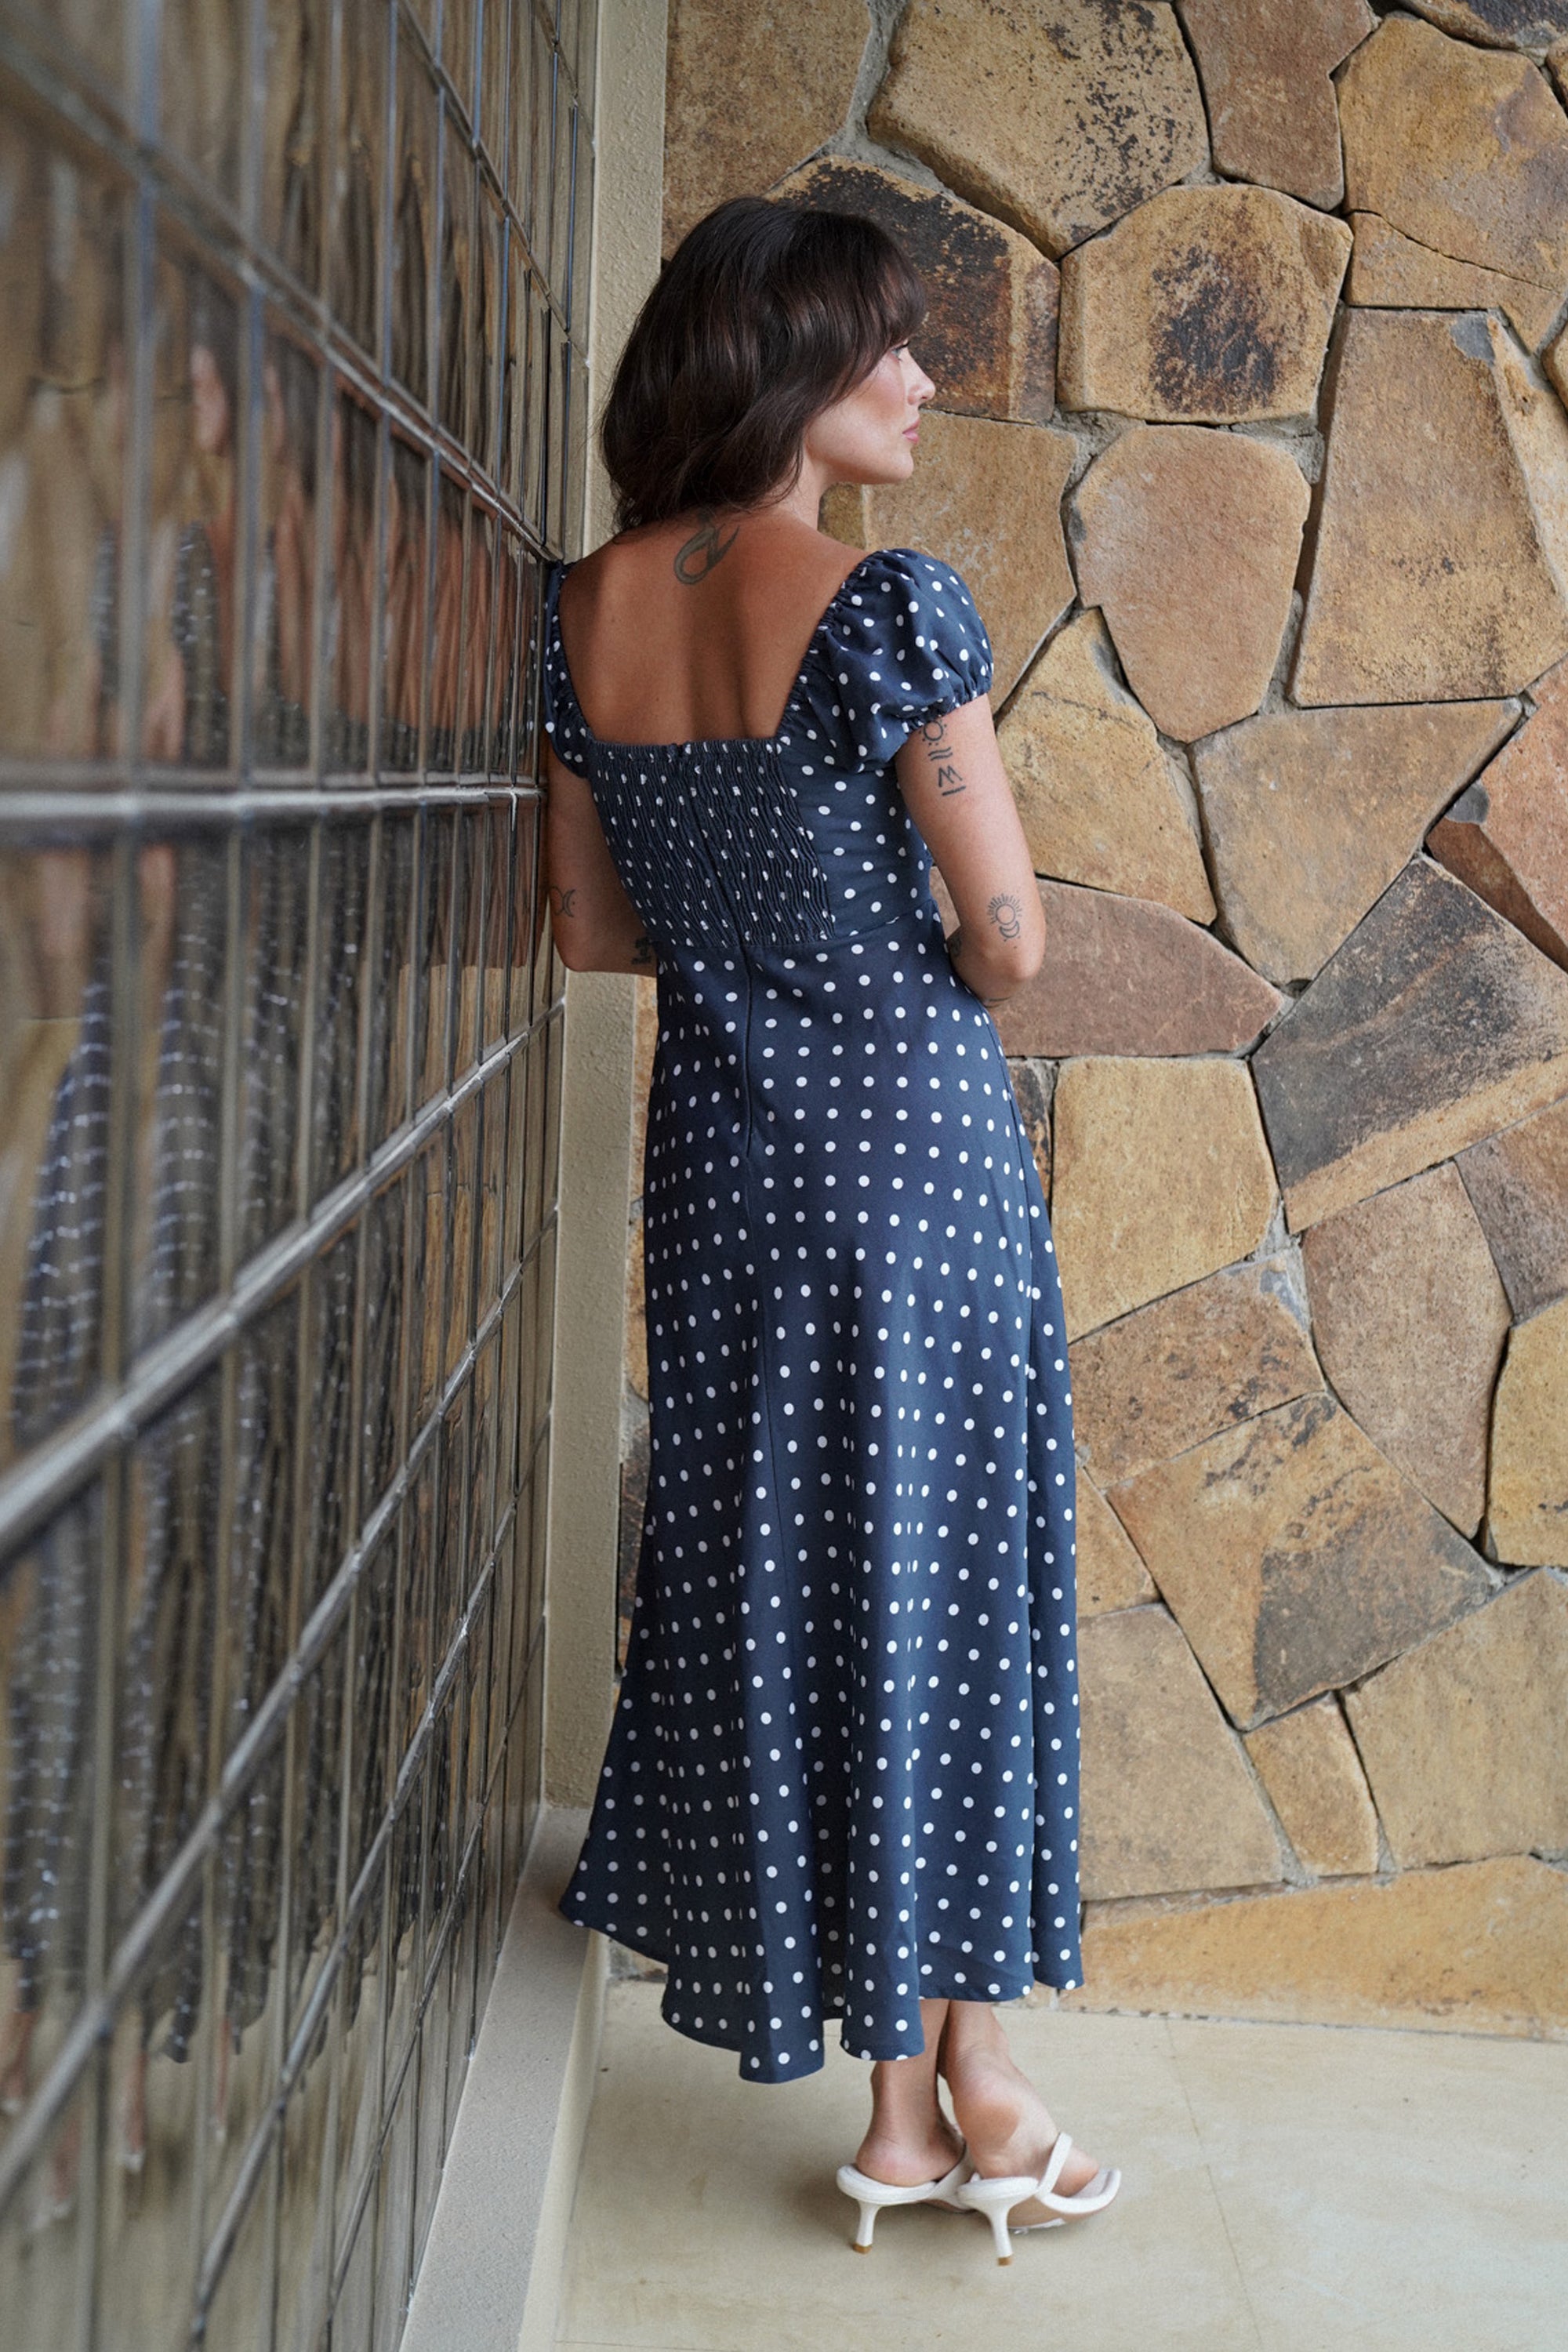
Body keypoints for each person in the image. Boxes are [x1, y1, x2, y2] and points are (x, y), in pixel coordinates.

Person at [542, 196, 1120, 2263]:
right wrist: (899, 932)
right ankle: (950, 2085)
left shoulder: (581, 610)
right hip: (914, 1171)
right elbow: (1017, 941)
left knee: (821, 1574)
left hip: (724, 1175)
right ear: (789, 366)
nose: (922, 380)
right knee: (942, 1580)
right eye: (890, 345)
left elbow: (597, 929)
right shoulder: (892, 613)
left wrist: (753, 936)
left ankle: (929, 2093)